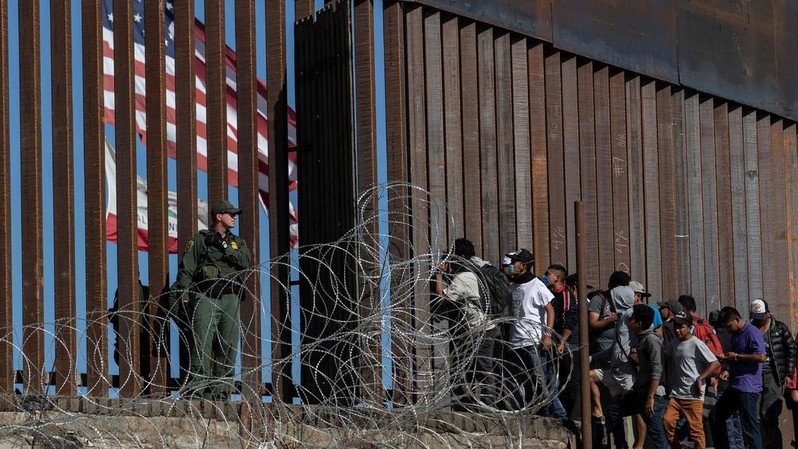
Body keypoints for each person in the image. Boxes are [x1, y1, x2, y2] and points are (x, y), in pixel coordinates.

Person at [169, 199, 252, 400]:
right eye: (230, 214)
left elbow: (245, 261)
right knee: (201, 344)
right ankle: (197, 390)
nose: (234, 218)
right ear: (218, 216)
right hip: (206, 295)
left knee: (228, 346)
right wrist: (184, 298)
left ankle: (221, 392)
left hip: (230, 297)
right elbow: (186, 271)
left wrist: (225, 247)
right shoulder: (199, 241)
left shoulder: (237, 242)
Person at [432, 238, 502, 408]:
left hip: (481, 329)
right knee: (470, 367)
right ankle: (470, 403)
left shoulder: (464, 277)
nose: (448, 260)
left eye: (451, 256)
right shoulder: (478, 269)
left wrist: (438, 274)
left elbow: (441, 298)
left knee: (483, 368)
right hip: (485, 327)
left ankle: (488, 405)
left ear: (461, 256)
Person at [503, 249, 564, 416]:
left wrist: (548, 335)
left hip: (532, 340)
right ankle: (530, 412)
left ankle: (549, 415)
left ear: (523, 266)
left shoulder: (536, 285)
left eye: (514, 262)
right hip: (515, 341)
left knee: (540, 380)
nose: (510, 266)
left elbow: (550, 311)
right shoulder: (513, 285)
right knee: (521, 381)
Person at [605, 304, 668, 449]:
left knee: (657, 435)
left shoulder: (651, 340)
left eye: (632, 319)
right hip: (640, 392)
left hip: (653, 395)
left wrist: (650, 397)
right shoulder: (641, 339)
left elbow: (656, 370)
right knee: (613, 411)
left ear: (639, 324)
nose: (629, 321)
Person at [709, 306, 766, 449]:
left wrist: (736, 357)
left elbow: (760, 357)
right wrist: (728, 368)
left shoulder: (752, 332)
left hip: (748, 388)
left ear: (736, 319)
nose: (728, 330)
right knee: (715, 416)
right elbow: (736, 357)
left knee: (750, 428)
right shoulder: (736, 335)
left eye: (729, 326)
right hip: (735, 385)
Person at [662, 311, 720, 449]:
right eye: (676, 326)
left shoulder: (697, 344)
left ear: (689, 327)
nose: (677, 330)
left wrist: (700, 378)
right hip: (676, 394)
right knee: (667, 422)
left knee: (696, 432)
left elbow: (715, 363)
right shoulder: (674, 342)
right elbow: (667, 355)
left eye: (681, 327)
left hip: (693, 396)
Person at [749, 299, 796, 448]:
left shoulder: (780, 328)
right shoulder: (751, 329)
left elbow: (791, 350)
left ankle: (771, 443)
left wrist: (788, 373)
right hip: (754, 376)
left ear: (768, 313)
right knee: (754, 415)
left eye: (761, 317)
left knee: (770, 413)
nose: (758, 321)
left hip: (773, 376)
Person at [546, 263, 580, 419]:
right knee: (552, 379)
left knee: (563, 380)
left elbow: (570, 320)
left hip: (564, 345)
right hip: (552, 343)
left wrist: (562, 342)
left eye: (548, 274)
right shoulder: (550, 294)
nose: (546, 277)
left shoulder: (565, 295)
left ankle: (564, 415)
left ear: (557, 278)